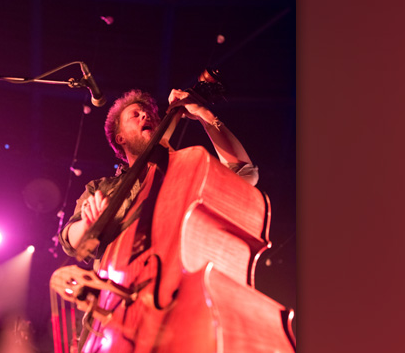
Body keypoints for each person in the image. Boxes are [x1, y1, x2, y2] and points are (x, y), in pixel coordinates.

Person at [59, 88, 259, 259]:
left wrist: (203, 114)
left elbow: (244, 173)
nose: (145, 116)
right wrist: (86, 226)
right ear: (120, 138)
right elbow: (69, 241)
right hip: (119, 282)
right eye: (135, 115)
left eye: (149, 114)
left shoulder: (186, 170)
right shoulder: (101, 187)